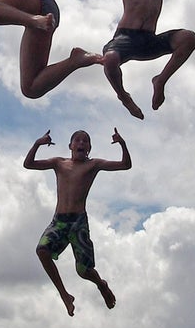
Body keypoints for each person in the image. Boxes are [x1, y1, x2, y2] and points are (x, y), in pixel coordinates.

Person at [24, 127, 131, 316]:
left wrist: (122, 144)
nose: (81, 143)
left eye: (85, 141)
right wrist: (37, 144)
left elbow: (125, 165)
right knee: (42, 250)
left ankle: (101, 285)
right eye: (78, 141)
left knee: (84, 271)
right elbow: (29, 164)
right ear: (70, 146)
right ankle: (65, 295)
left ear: (89, 147)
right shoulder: (58, 163)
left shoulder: (93, 165)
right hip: (60, 221)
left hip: (78, 223)